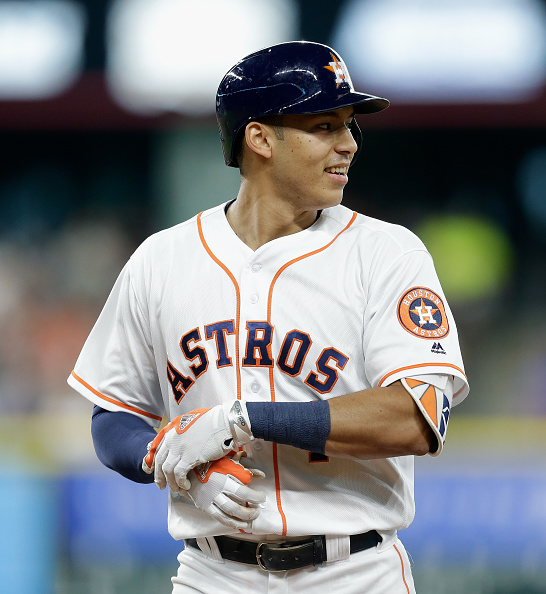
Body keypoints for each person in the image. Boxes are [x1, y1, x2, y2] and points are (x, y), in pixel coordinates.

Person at [68, 41, 469, 593]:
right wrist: (174, 459)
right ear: (259, 138)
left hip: (354, 572)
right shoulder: (162, 261)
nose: (349, 144)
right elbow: (112, 417)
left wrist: (243, 418)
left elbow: (417, 417)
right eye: (324, 126)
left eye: (350, 125)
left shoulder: (387, 254)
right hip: (212, 573)